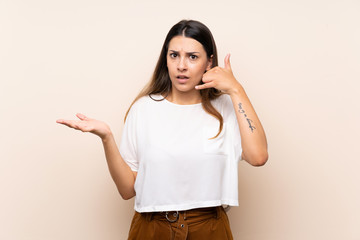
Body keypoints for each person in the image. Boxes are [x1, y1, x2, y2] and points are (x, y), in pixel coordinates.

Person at [56, 19, 268, 240]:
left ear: (209, 62)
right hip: (152, 227)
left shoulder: (225, 108)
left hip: (209, 228)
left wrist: (236, 89)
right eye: (174, 55)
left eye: (192, 57)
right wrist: (107, 137)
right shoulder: (143, 109)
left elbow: (258, 156)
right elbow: (127, 190)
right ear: (165, 59)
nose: (181, 65)